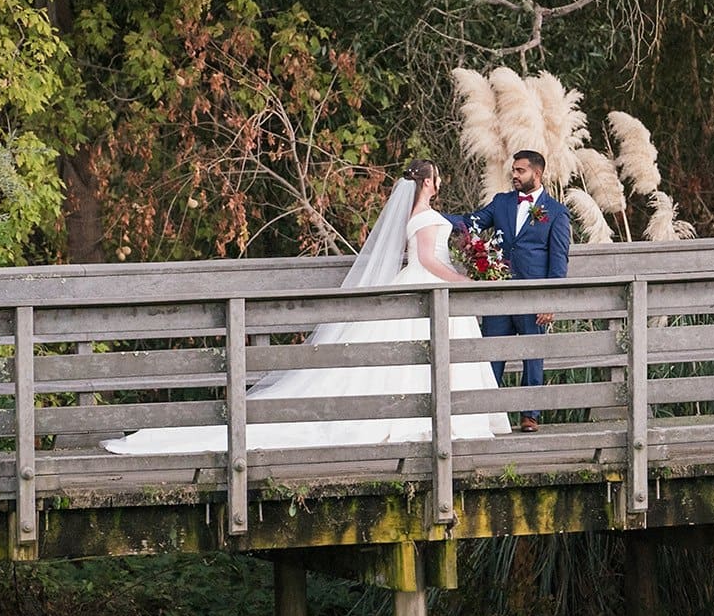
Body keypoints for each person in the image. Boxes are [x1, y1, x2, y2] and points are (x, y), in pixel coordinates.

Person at [102, 161, 510, 454]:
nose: (439, 184)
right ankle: (429, 421)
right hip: (428, 285)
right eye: (436, 178)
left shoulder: (419, 215)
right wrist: (462, 280)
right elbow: (428, 262)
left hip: (426, 286)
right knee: (417, 358)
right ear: (429, 182)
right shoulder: (425, 219)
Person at [462, 150, 572, 432]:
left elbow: (558, 263)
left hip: (534, 296)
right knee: (492, 354)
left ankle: (529, 414)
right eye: (513, 170)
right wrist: (432, 219)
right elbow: (472, 222)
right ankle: (487, 414)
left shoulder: (556, 213)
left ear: (537, 174)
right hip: (499, 294)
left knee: (532, 355)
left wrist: (549, 301)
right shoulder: (501, 202)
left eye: (520, 171)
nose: (514, 175)